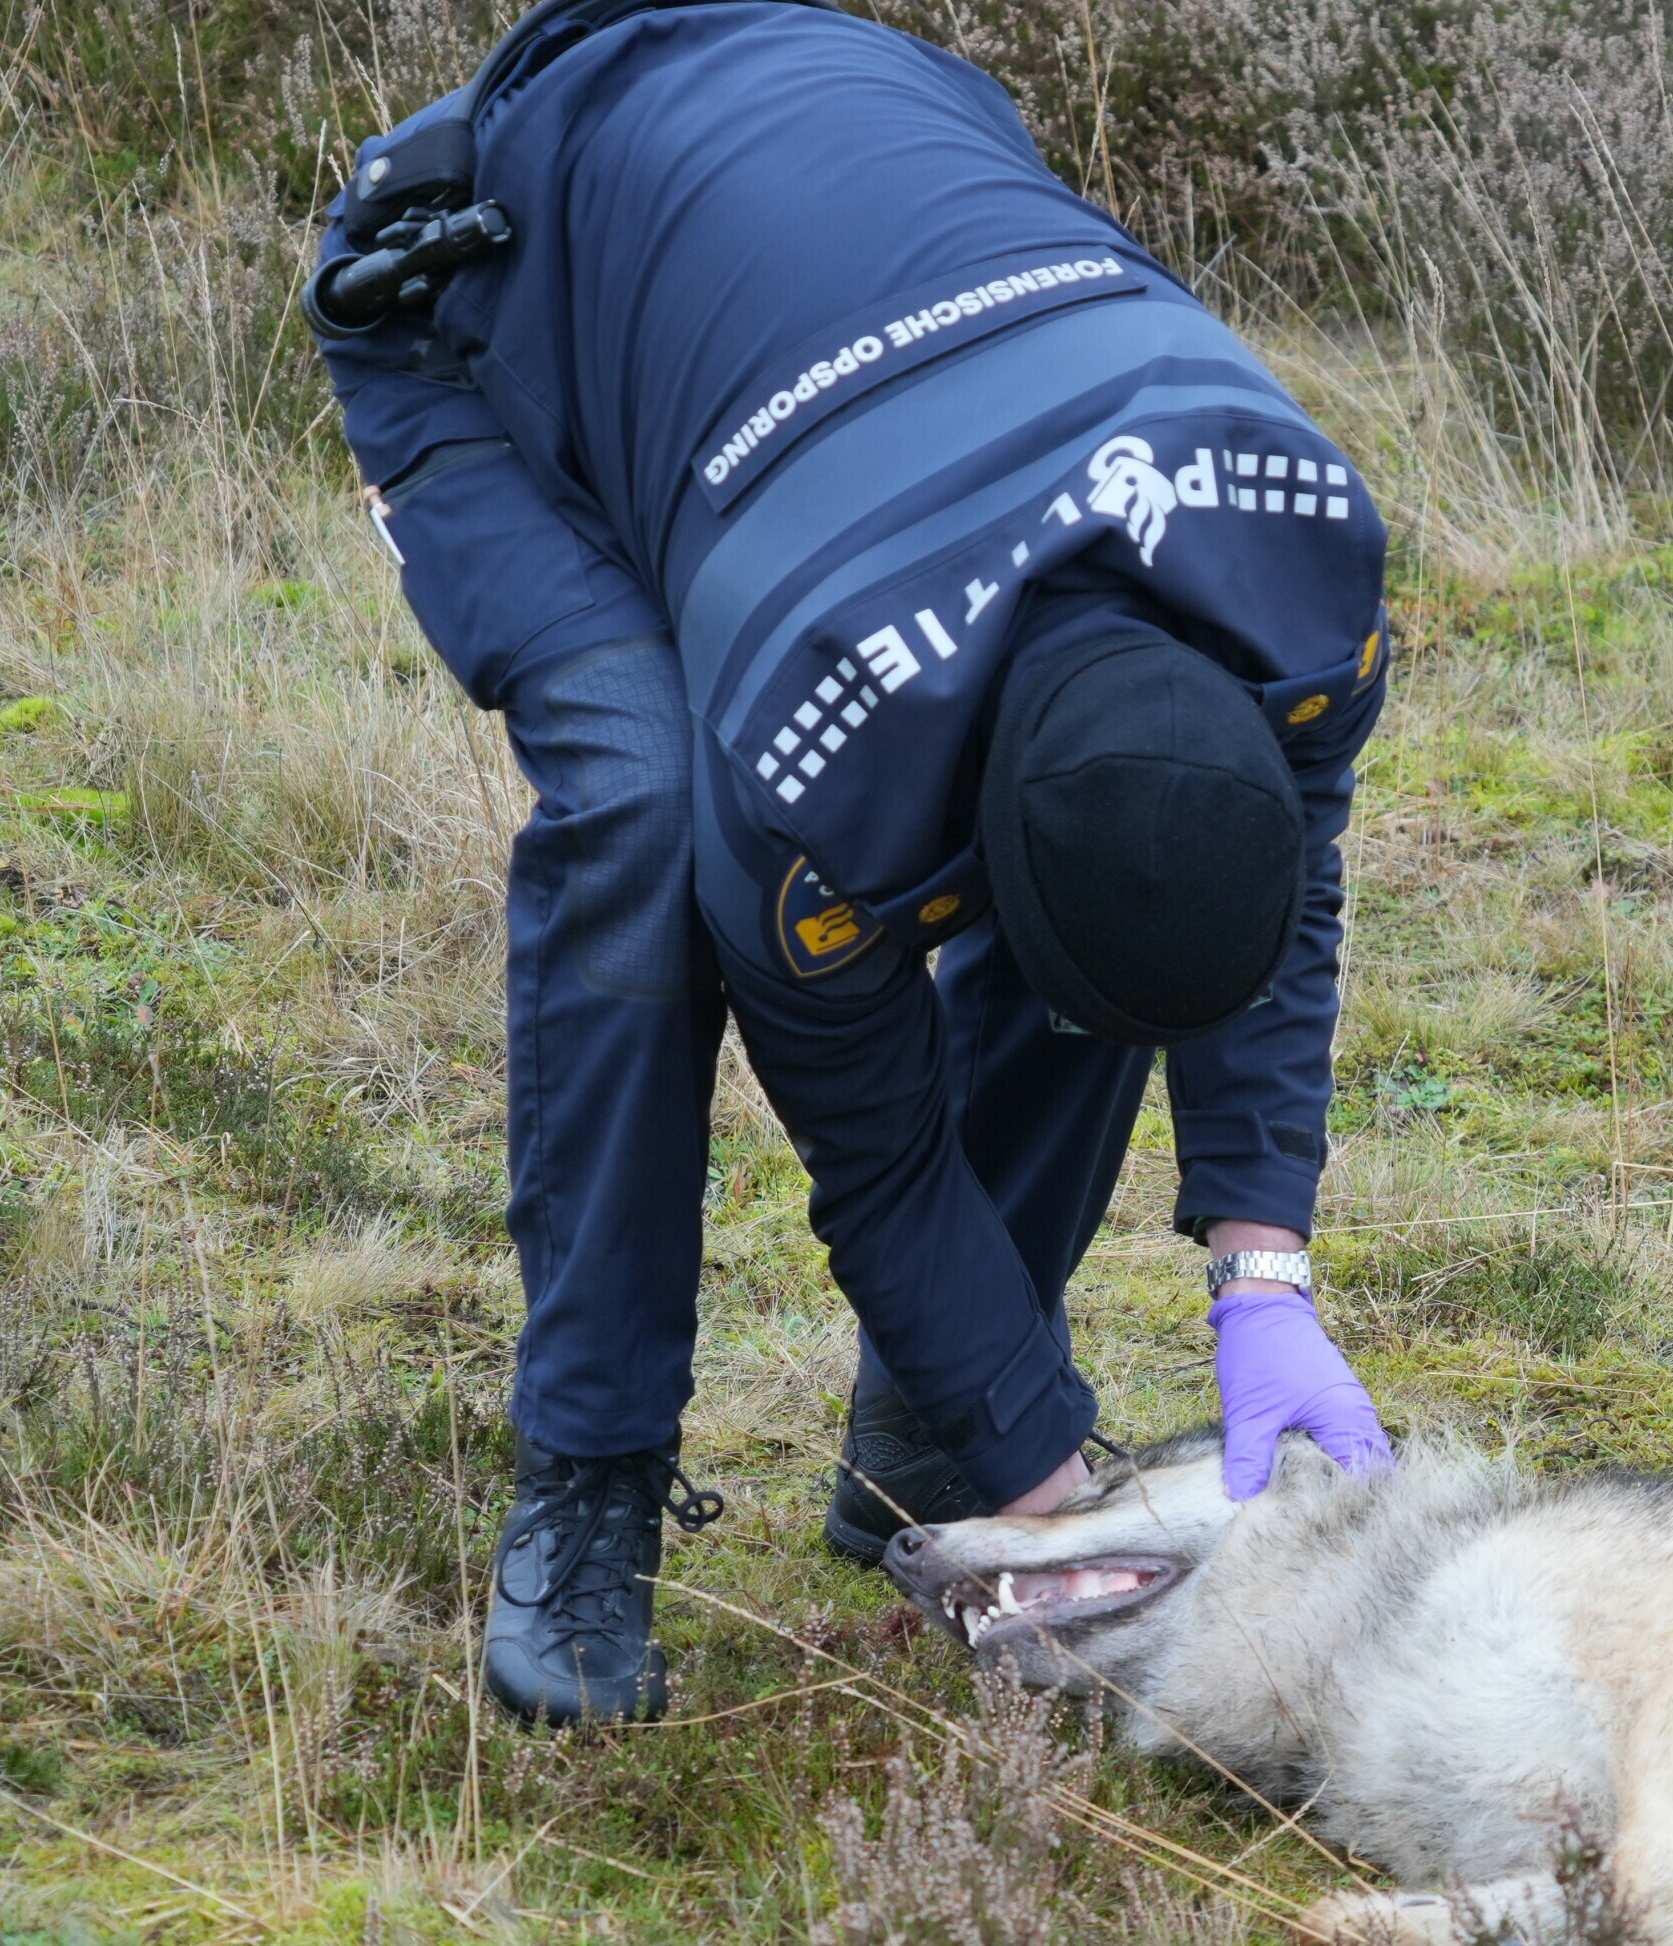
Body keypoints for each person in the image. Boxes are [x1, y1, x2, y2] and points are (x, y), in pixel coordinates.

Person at [307, 0, 1397, 1725]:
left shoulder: (1302, 567)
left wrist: (1266, 1265)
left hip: (855, 150)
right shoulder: (819, 763)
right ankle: (588, 1483)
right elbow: (871, 1147)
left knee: (1110, 900)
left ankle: (931, 1421)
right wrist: (1049, 1481)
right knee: (646, 819)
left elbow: (1266, 893)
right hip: (483, 281)